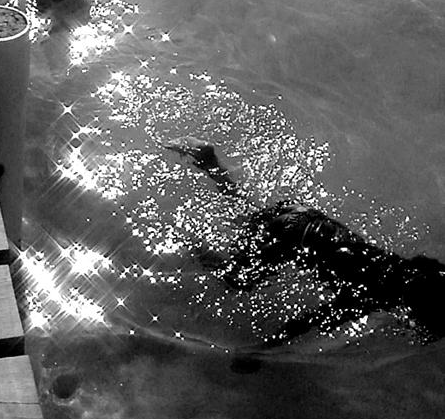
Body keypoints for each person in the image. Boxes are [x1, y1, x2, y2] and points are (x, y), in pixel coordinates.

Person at [166, 139, 445, 353]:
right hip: (292, 234)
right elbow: (303, 323)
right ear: (414, 308)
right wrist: (257, 351)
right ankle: (179, 237)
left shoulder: (399, 267)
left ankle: (209, 161)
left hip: (304, 216)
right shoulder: (371, 295)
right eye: (420, 323)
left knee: (246, 218)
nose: (413, 326)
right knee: (238, 280)